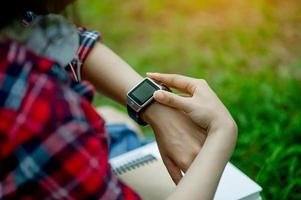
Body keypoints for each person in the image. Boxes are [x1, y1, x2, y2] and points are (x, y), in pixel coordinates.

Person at [0, 1, 237, 199]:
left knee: (116, 122)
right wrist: (221, 132)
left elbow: (52, 35)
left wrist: (154, 106)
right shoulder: (40, 112)